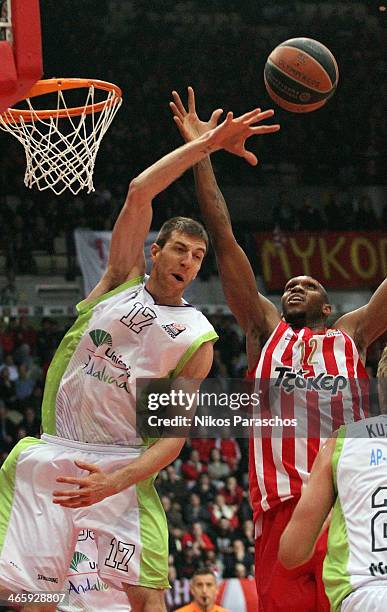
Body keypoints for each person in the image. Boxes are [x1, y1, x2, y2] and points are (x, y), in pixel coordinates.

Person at [0, 106, 277, 612]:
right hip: (55, 448)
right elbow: (139, 191)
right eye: (179, 250)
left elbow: (172, 440)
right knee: (34, 597)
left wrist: (113, 482)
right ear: (156, 251)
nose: (188, 261)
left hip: (122, 464)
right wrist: (206, 146)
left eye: (196, 256)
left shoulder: (196, 338)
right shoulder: (117, 283)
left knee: (148, 598)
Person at [170, 86, 387, 612]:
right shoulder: (265, 327)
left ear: (330, 306)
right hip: (280, 511)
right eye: (289, 283)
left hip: (348, 511)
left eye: (309, 285)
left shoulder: (351, 336)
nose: (294, 286)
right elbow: (222, 236)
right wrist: (201, 153)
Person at [279, 346, 387, 610]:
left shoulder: (342, 442)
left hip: (364, 596)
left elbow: (291, 553)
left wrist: (327, 516)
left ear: (381, 390)